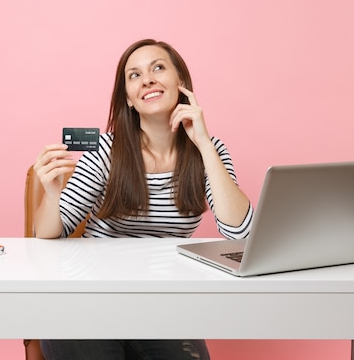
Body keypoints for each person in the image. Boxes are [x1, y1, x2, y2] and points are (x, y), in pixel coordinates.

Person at [32, 39, 254, 360]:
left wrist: (204, 144)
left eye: (158, 68)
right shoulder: (107, 151)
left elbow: (240, 234)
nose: (147, 79)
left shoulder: (210, 150)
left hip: (162, 306)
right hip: (88, 301)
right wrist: (53, 195)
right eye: (134, 75)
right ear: (130, 99)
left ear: (180, 84)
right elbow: (49, 235)